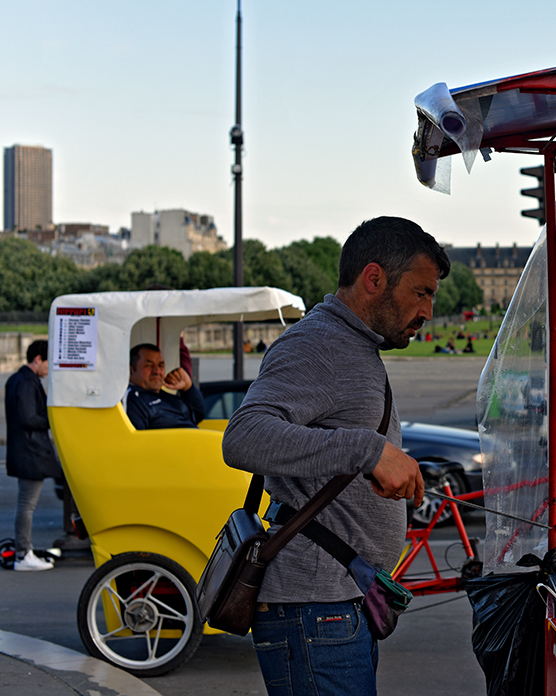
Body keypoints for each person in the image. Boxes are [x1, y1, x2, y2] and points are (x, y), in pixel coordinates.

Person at [223, 216, 448, 696]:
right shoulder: (319, 342)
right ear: (374, 279)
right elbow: (243, 437)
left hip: (339, 601)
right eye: (422, 292)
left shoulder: (351, 344)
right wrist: (368, 451)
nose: (429, 310)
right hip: (314, 607)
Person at [6, 340, 59, 571]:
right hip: (30, 453)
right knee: (26, 505)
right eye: (48, 362)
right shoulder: (27, 382)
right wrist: (53, 421)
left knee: (25, 504)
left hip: (24, 451)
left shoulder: (17, 379)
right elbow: (29, 418)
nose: (49, 369)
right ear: (38, 359)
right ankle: (23, 554)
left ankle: (23, 551)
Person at [123, 344, 205, 429]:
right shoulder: (133, 400)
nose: (157, 371)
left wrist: (188, 387)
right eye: (149, 366)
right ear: (131, 371)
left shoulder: (166, 397)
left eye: (160, 365)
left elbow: (198, 415)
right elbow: (135, 440)